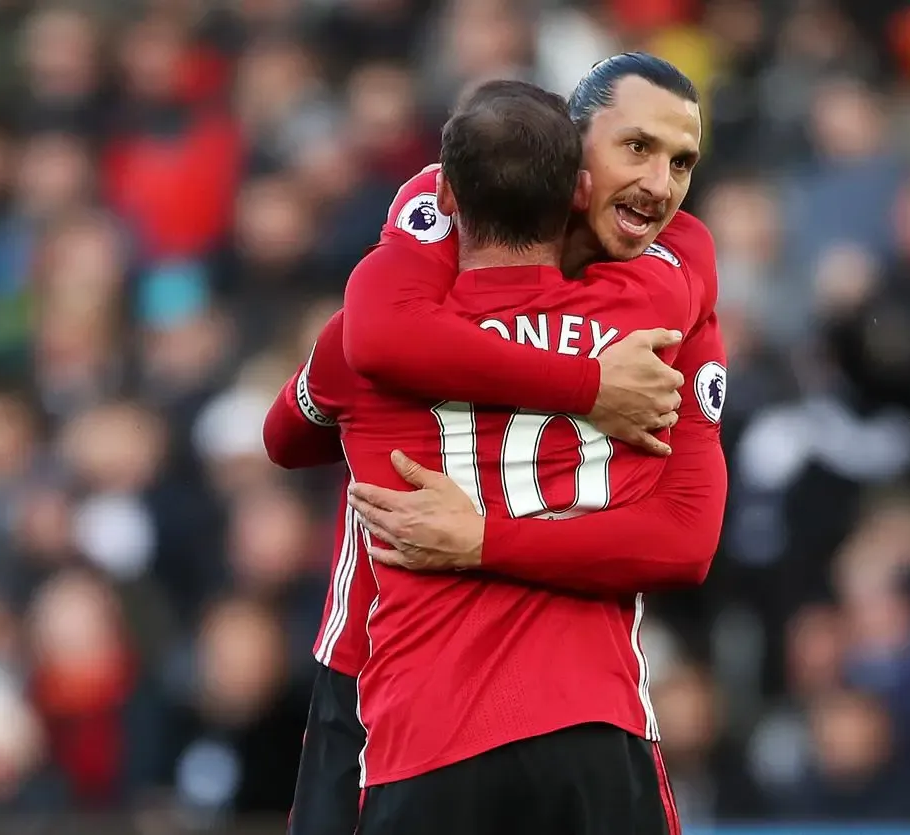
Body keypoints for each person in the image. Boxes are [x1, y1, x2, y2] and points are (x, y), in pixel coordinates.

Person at [267, 55, 722, 835]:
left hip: (461, 707)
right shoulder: (646, 310)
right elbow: (380, 338)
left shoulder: (673, 268)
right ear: (573, 154)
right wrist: (585, 385)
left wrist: (481, 537)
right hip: (373, 664)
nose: (660, 184)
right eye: (637, 148)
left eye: (682, 161)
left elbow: (318, 398)